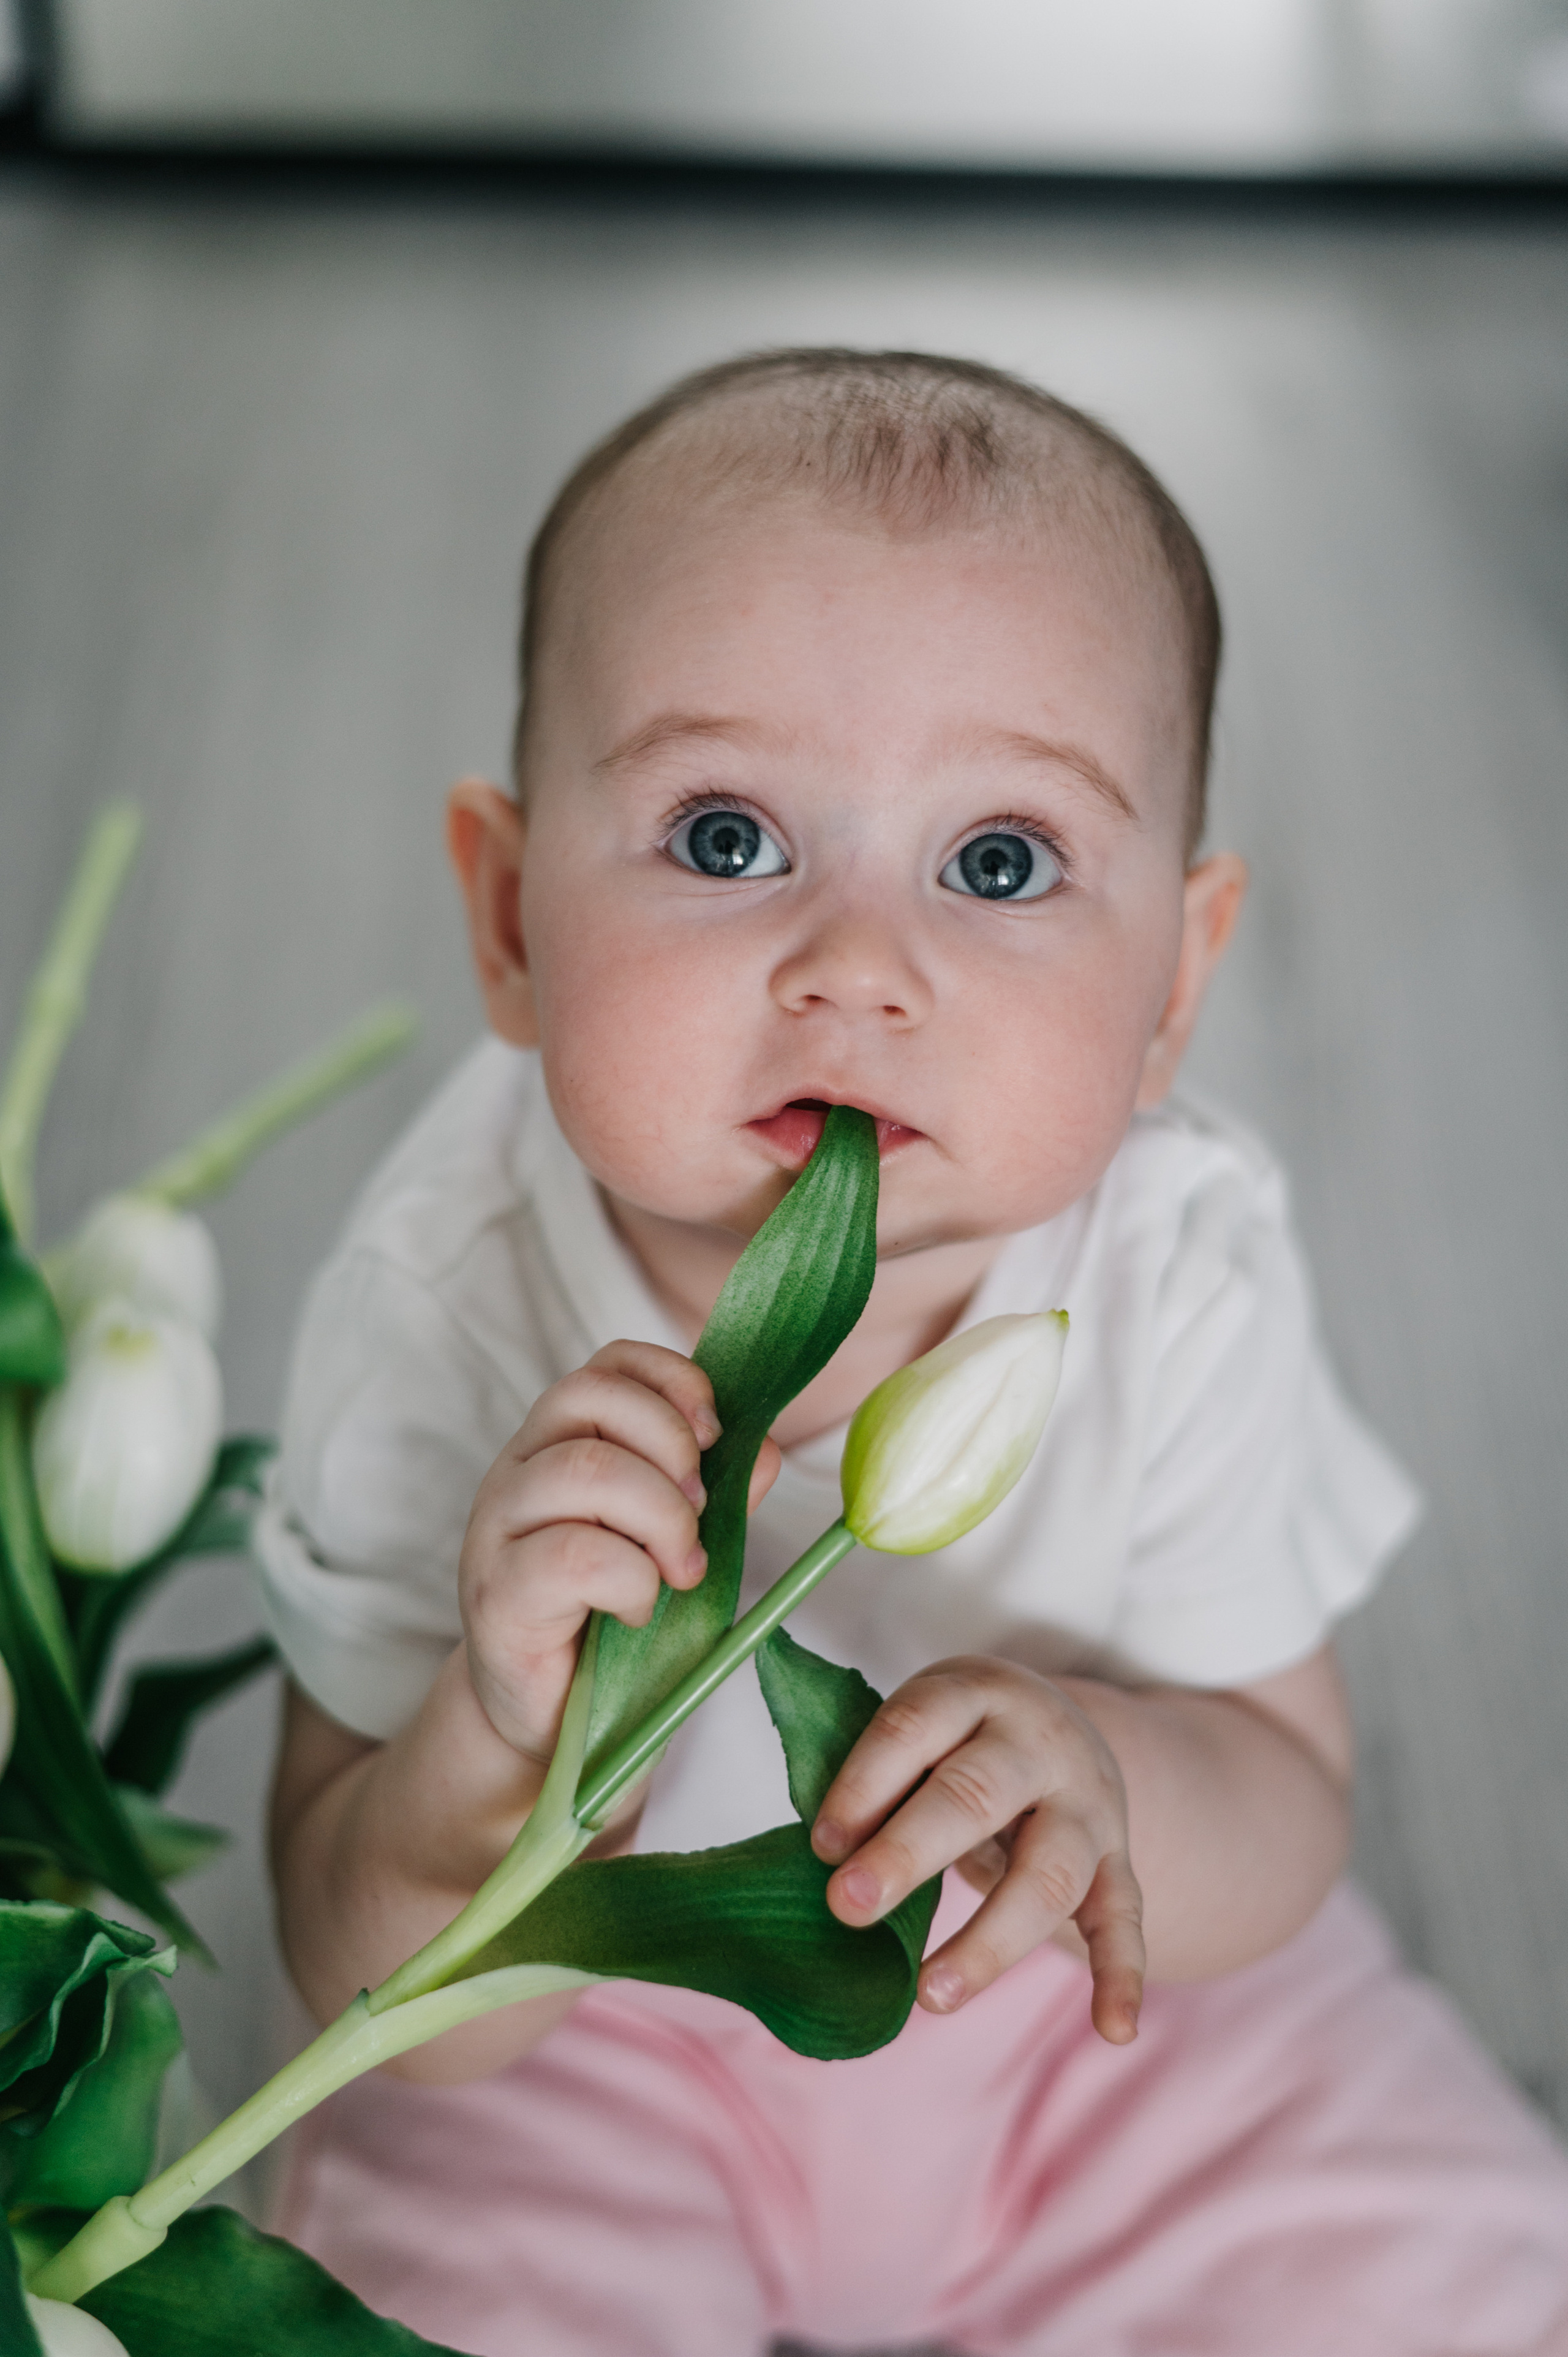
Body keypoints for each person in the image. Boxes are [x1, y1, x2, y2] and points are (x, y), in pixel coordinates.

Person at [257, 349, 1568, 2357]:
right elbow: (376, 1984)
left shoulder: (1175, 1260)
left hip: (1105, 2037)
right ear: (510, 916)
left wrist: (1108, 1778)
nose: (861, 968)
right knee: (379, 2282)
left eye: (1001, 863)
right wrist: (489, 1748)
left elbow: (1290, 1790)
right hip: (595, 2060)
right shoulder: (448, 1295)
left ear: (1175, 988)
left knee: (1475, 2275)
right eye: (723, 837)